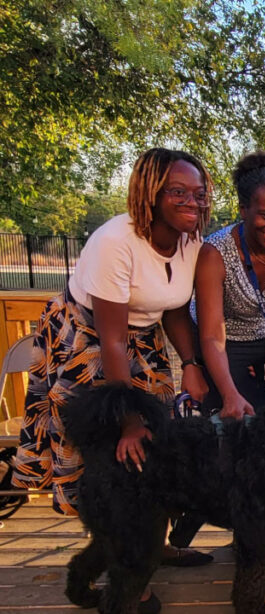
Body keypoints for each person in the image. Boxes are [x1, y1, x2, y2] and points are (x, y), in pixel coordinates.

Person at [11, 148, 215, 608]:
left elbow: (177, 306)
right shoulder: (114, 242)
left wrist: (190, 362)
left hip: (141, 337)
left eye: (199, 194)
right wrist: (128, 419)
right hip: (87, 338)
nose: (193, 202)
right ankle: (125, 567)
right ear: (150, 193)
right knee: (114, 456)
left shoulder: (189, 242)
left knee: (157, 447)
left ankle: (152, 546)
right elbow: (112, 342)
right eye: (178, 192)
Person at [192, 151, 265, 418]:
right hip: (223, 349)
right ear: (244, 210)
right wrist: (230, 394)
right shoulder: (214, 253)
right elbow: (211, 335)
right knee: (234, 428)